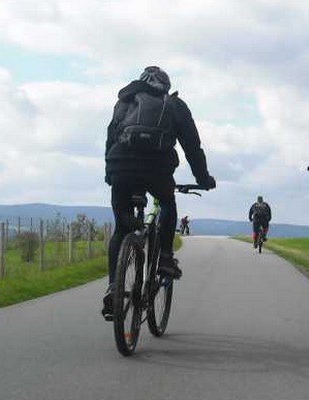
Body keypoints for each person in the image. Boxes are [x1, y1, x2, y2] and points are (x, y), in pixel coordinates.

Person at [102, 66, 216, 320]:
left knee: (122, 229)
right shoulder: (175, 105)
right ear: (165, 86)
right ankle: (164, 256)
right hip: (157, 171)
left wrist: (110, 173)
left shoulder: (124, 101)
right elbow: (192, 146)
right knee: (167, 203)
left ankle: (114, 288)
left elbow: (111, 137)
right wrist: (203, 178)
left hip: (120, 166)